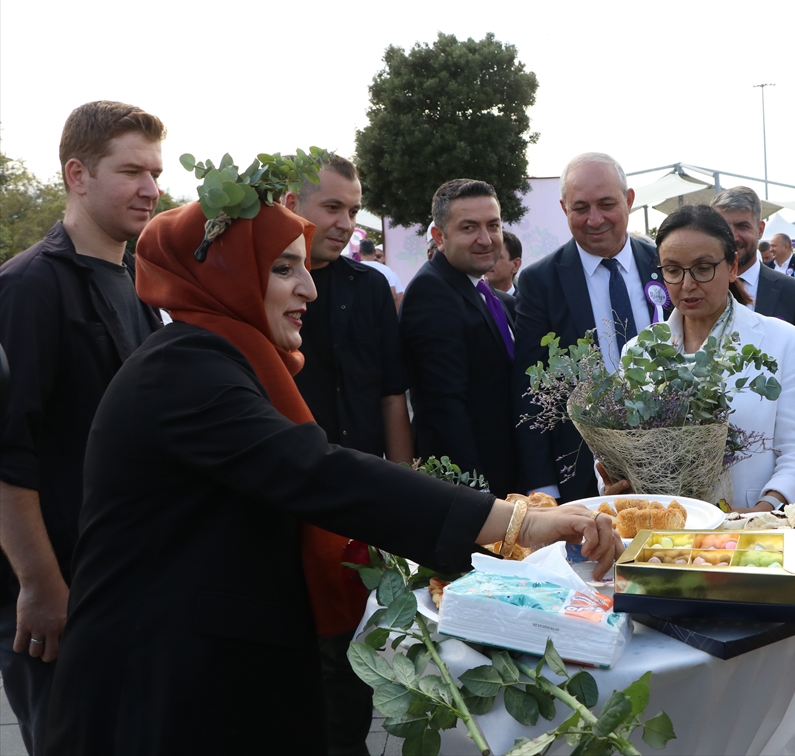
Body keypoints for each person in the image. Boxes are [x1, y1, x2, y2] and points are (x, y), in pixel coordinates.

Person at [41, 197, 620, 755]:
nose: (310, 288)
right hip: (154, 687)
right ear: (225, 273)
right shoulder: (184, 368)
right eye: (283, 268)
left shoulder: (215, 355)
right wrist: (513, 521)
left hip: (201, 667)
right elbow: (318, 471)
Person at [0, 101, 166, 756]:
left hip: (130, 587)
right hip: (58, 602)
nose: (151, 189)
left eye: (154, 171)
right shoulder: (27, 289)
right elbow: (7, 451)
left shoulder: (139, 282)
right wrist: (40, 585)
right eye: (131, 171)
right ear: (78, 174)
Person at [282, 156, 411, 756]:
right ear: (291, 203)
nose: (346, 222)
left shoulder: (371, 288)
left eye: (354, 210)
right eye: (332, 207)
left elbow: (391, 395)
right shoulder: (262, 285)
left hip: (360, 495)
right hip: (285, 495)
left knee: (355, 647)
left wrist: (404, 486)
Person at [642, 204, 795, 510]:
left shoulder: (784, 342)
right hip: (660, 537)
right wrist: (611, 478)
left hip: (751, 538)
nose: (687, 284)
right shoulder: (639, 351)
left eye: (703, 268)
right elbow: (617, 447)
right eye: (673, 270)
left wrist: (763, 511)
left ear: (733, 267)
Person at [514, 153, 659, 501]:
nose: (595, 220)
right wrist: (544, 490)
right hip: (582, 477)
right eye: (581, 208)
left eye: (607, 204)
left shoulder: (663, 262)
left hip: (669, 458)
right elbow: (530, 391)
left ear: (629, 200)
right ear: (565, 209)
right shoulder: (539, 282)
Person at [711, 187, 795, 502]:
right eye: (725, 227)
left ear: (760, 229)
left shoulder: (793, 292)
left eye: (742, 226)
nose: (734, 236)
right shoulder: (696, 298)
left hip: (781, 465)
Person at [401, 179, 518, 498]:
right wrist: (478, 497)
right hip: (474, 489)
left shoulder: (484, 291)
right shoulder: (432, 292)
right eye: (469, 227)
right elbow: (445, 409)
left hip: (507, 480)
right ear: (439, 237)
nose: (485, 239)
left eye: (493, 226)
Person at [357, 238, 403, 311]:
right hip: (383, 314)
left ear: (360, 253)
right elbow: (394, 296)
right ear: (374, 252)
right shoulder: (386, 270)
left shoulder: (354, 269)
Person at [486, 230, 522, 295]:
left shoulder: (527, 303)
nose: (487, 261)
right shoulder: (465, 302)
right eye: (484, 255)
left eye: (496, 256)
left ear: (515, 265)